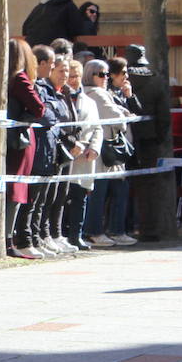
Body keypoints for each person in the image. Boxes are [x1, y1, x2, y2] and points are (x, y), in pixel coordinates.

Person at [82, 58, 137, 247]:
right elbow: (115, 117)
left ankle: (110, 230)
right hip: (106, 148)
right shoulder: (96, 93)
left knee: (113, 189)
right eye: (101, 74)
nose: (105, 78)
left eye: (107, 74)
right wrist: (125, 118)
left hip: (105, 149)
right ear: (91, 75)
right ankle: (98, 231)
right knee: (104, 190)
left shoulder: (98, 93)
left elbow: (118, 110)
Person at [29, 45, 79, 255]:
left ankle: (51, 234)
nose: (64, 75)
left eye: (67, 71)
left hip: (63, 149)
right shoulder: (43, 89)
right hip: (49, 147)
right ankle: (36, 236)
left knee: (59, 195)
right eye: (59, 70)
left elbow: (70, 120)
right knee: (41, 198)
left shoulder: (66, 92)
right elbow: (51, 117)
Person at [121, 43, 172, 241]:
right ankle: (149, 229)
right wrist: (159, 137)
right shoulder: (156, 81)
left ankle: (120, 227)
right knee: (149, 186)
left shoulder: (122, 79)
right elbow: (164, 116)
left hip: (122, 137)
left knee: (118, 184)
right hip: (148, 140)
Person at [6, 38, 49, 259]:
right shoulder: (19, 79)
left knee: (10, 188)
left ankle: (6, 238)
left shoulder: (1, 78)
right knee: (15, 189)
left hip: (7, 138)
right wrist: (25, 118)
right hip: (19, 141)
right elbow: (39, 108)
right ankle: (7, 240)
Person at [62, 42, 102, 250]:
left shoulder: (89, 102)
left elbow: (98, 128)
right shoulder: (61, 99)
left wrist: (94, 147)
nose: (73, 81)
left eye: (76, 77)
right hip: (67, 153)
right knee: (62, 197)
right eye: (70, 77)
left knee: (80, 197)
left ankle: (76, 235)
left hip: (85, 155)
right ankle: (61, 233)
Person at [21, 0, 92, 47]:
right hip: (56, 48)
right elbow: (76, 29)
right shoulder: (69, 6)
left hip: (33, 48)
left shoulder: (39, 7)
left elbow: (25, 28)